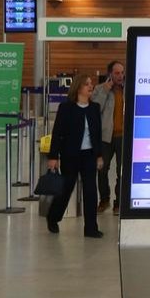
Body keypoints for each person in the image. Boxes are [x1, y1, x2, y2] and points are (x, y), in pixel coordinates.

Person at [47, 74, 104, 238]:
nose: (91, 86)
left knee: (91, 191)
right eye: (87, 84)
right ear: (78, 88)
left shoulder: (94, 108)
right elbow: (57, 134)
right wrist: (53, 156)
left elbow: (97, 134)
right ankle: (53, 217)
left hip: (89, 155)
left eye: (91, 84)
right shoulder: (66, 108)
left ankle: (91, 228)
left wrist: (99, 155)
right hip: (70, 155)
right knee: (66, 188)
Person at [92, 60, 125, 214]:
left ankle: (118, 203)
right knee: (102, 169)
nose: (120, 76)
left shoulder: (127, 89)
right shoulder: (100, 89)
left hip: (123, 137)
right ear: (110, 74)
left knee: (121, 171)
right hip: (105, 137)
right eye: (117, 73)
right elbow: (95, 110)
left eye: (122, 73)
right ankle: (104, 200)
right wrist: (105, 91)